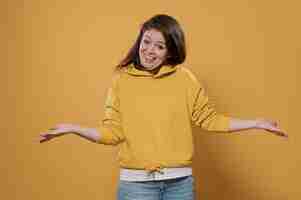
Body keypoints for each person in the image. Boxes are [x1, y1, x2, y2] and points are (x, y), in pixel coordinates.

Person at [39, 14, 287, 200]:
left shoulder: (184, 79)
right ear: (139, 41)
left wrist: (255, 123)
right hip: (136, 187)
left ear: (170, 52)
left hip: (179, 185)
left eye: (159, 46)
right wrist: (73, 128)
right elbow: (112, 133)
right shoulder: (121, 82)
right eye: (146, 42)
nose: (149, 51)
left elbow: (210, 119)